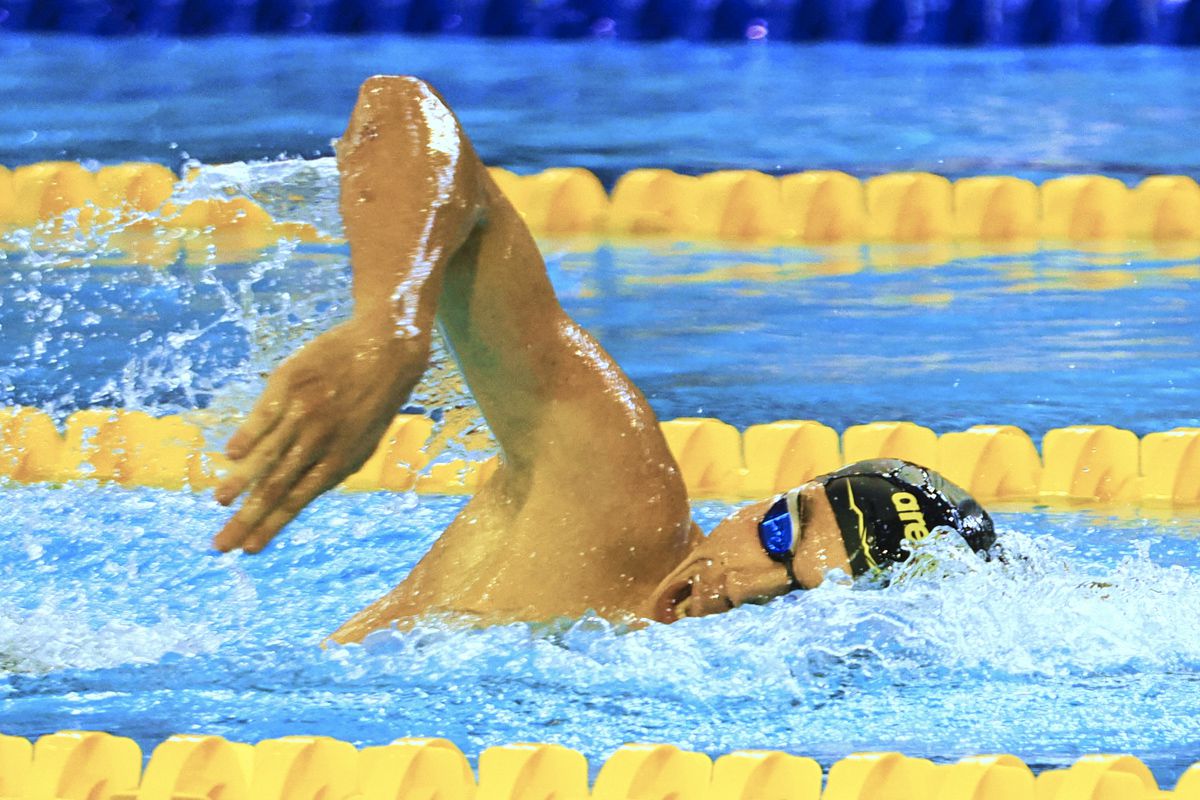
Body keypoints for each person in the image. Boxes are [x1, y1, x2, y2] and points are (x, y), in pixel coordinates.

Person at [211, 75, 995, 643]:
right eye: (779, 533)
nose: (742, 588)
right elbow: (401, 109)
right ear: (754, 507)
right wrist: (392, 321)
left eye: (804, 601)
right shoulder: (610, 513)